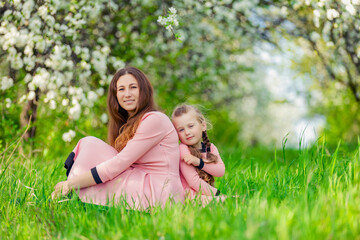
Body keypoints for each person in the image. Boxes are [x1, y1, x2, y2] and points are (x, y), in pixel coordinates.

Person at [51, 67, 184, 210]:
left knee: (91, 144)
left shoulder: (155, 119)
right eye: (121, 89)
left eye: (133, 87)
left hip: (160, 192)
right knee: (90, 145)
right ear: (115, 95)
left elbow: (119, 163)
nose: (127, 94)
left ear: (144, 90)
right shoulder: (128, 124)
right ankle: (72, 197)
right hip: (144, 182)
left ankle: (71, 193)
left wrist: (71, 183)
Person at [171, 104, 225, 204]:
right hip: (188, 196)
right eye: (181, 130)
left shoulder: (211, 147)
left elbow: (220, 171)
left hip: (205, 193)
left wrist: (199, 162)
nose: (187, 132)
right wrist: (216, 193)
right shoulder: (183, 149)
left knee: (236, 200)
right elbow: (193, 181)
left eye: (190, 126)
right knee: (227, 201)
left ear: (203, 125)